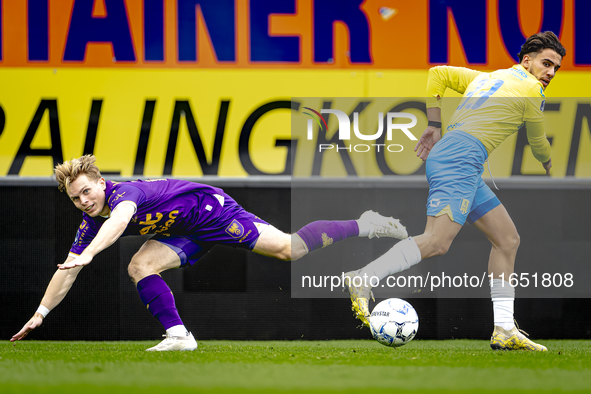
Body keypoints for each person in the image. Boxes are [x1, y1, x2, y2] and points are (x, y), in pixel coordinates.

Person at [11, 154, 408, 351]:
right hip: (181, 229)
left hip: (211, 212)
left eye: (86, 191)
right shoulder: (90, 220)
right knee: (141, 265)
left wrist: (90, 254)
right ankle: (179, 336)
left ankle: (367, 223)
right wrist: (39, 315)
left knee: (290, 249)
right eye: (75, 197)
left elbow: (121, 221)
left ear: (101, 182)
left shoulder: (123, 195)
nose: (82, 201)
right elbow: (67, 270)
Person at [343, 31, 566, 351]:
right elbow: (537, 141)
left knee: (507, 240)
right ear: (526, 61)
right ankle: (364, 276)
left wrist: (434, 124)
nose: (550, 73)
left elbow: (438, 74)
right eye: (546, 64)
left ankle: (504, 329)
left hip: (460, 160)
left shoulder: (485, 78)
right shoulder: (531, 89)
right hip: (460, 160)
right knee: (436, 241)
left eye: (556, 68)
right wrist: (548, 163)